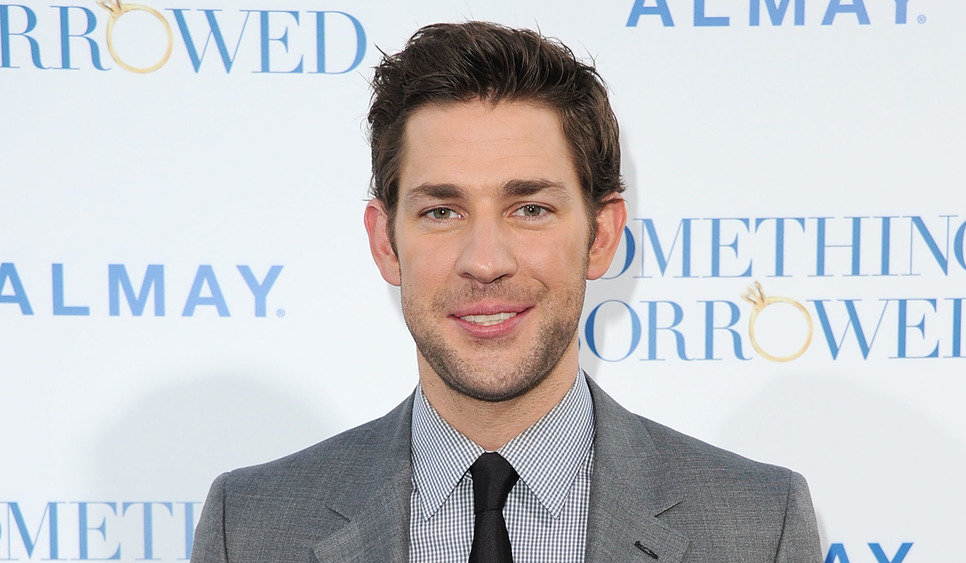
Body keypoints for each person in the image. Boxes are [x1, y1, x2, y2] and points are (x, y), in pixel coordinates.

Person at [191, 21, 822, 563]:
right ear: (385, 242)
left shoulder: (757, 527)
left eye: (531, 209)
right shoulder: (248, 528)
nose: (485, 262)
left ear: (601, 235)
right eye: (442, 212)